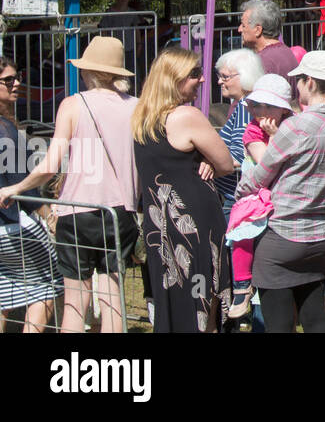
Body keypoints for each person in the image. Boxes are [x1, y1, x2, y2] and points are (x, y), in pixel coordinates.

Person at [0, 36, 140, 333]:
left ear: (88, 70)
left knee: (77, 301)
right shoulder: (137, 107)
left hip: (76, 212)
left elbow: (49, 166)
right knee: (113, 296)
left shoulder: (74, 105)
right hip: (121, 212)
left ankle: (71, 372)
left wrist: (15, 188)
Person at [236, 50, 325, 333]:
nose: (296, 86)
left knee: (279, 324)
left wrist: (241, 191)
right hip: (320, 238)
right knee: (315, 320)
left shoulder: (295, 127)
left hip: (282, 239)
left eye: (299, 80)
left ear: (310, 82)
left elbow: (259, 176)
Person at [132, 47, 236, 332]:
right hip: (193, 225)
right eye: (194, 74)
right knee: (203, 300)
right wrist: (209, 160)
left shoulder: (141, 119)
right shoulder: (186, 115)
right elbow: (226, 163)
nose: (202, 80)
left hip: (159, 227)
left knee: (174, 301)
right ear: (173, 79)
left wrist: (204, 159)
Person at [226, 73, 295, 322]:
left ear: (284, 110)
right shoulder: (253, 130)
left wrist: (278, 135)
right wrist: (276, 137)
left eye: (269, 106)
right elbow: (269, 163)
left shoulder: (293, 126)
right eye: (256, 105)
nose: (261, 111)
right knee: (242, 232)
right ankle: (242, 287)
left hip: (286, 195)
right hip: (256, 194)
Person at [0, 56, 61, 332]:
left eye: (18, 77)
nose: (16, 84)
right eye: (7, 80)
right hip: (11, 226)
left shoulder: (8, 124)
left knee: (3, 294)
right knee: (49, 285)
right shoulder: (6, 130)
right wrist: (49, 214)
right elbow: (23, 185)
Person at [213, 48, 264, 213]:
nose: (220, 82)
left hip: (235, 197)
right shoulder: (251, 103)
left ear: (245, 76)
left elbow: (237, 155)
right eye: (219, 76)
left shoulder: (245, 107)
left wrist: (206, 162)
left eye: (225, 77)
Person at [238, 0, 299, 80]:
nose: (239, 29)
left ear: (258, 30)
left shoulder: (262, 62)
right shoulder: (286, 52)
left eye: (243, 25)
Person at [96, 0, 146, 81]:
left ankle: (134, 93)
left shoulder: (133, 12)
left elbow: (136, 29)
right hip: (114, 50)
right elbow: (103, 31)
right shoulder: (109, 12)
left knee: (133, 75)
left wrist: (139, 44)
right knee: (116, 76)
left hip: (130, 49)